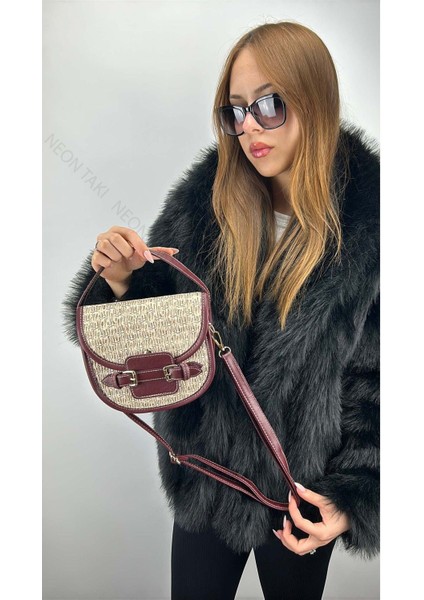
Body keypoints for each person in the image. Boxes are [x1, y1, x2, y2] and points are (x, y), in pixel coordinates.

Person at [63, 21, 379, 600]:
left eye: (270, 105)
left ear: (314, 100)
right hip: (206, 475)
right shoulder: (205, 202)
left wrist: (353, 496)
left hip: (299, 494)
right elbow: (161, 330)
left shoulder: (371, 223)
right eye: (236, 110)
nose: (249, 126)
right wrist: (120, 280)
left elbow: (380, 381)